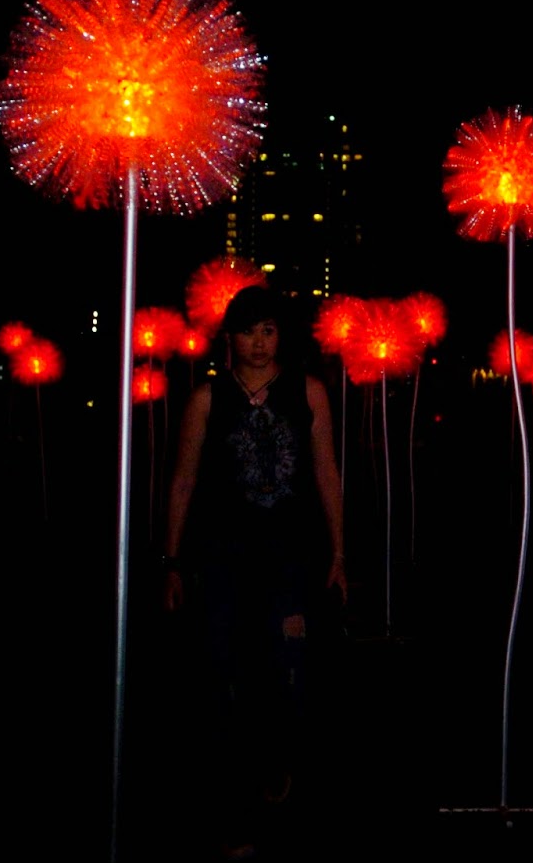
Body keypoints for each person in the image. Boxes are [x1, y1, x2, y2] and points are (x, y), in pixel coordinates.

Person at [161, 284, 348, 860]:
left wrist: (340, 553)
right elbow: (184, 480)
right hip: (222, 558)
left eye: (269, 330)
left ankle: (279, 764)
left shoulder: (308, 391)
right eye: (249, 331)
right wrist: (171, 560)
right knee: (223, 675)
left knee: (288, 667)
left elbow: (325, 472)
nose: (260, 343)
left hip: (289, 558)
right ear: (230, 337)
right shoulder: (207, 400)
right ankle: (234, 805)